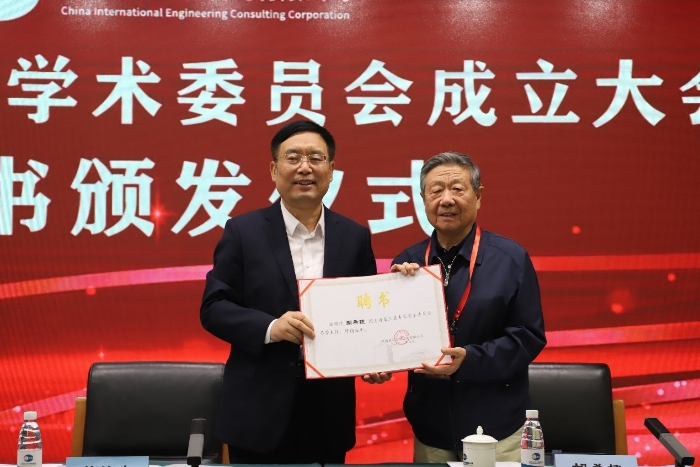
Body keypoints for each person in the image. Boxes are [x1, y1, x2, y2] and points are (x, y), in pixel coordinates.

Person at [200, 120, 377, 464]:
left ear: (331, 170)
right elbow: (214, 307)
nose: (304, 168)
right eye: (293, 158)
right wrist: (270, 328)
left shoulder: (354, 236)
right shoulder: (243, 232)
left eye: (316, 158)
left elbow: (366, 311)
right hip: (258, 408)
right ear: (273, 169)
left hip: (328, 409)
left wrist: (374, 359)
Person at [390, 151, 546, 463]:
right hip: (431, 428)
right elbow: (391, 337)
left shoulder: (510, 259)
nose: (446, 200)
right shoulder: (408, 263)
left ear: (478, 196)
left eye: (457, 189)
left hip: (497, 427)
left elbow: (529, 336)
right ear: (423, 199)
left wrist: (470, 360)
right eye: (436, 191)